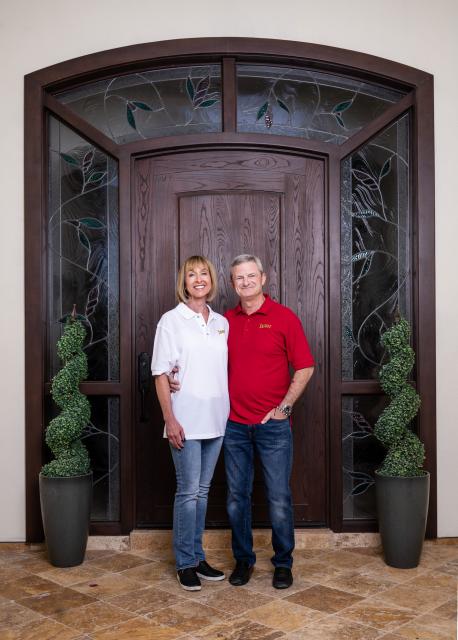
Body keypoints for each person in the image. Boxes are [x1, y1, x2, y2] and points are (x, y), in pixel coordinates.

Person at [224, 254, 314, 590]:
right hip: (233, 425)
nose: (245, 282)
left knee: (278, 497)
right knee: (236, 498)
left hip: (272, 427)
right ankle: (244, 561)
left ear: (263, 278)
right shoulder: (225, 322)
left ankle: (282, 564)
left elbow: (305, 366)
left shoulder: (283, 318)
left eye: (251, 276)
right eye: (239, 278)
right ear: (232, 284)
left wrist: (285, 407)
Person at [151, 256, 229, 591]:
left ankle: (198, 557)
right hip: (184, 420)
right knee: (187, 493)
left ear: (212, 280)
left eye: (204, 273)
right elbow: (159, 372)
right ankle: (185, 563)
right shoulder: (172, 320)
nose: (199, 279)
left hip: (217, 420)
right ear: (184, 282)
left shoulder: (222, 322)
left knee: (201, 491)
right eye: (191, 274)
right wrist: (170, 418)